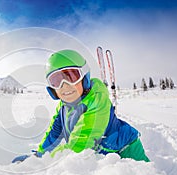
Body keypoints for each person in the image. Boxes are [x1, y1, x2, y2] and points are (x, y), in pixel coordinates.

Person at [12, 49, 150, 163]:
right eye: (56, 81)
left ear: (84, 77)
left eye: (71, 76)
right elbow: (54, 133)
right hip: (100, 153)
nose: (64, 86)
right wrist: (39, 154)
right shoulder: (64, 106)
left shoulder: (96, 100)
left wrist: (45, 160)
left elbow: (80, 144)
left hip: (124, 148)